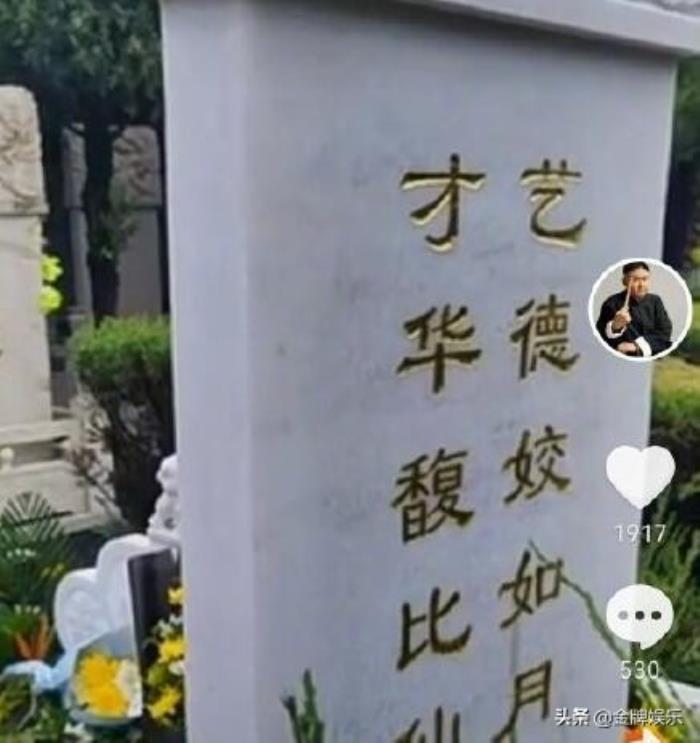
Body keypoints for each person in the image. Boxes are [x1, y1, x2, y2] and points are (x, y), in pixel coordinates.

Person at [595, 261, 672, 358]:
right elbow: (602, 337)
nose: (641, 285)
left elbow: (665, 332)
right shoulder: (611, 304)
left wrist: (636, 346)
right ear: (624, 281)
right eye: (635, 280)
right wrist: (615, 327)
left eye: (645, 279)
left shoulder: (655, 300)